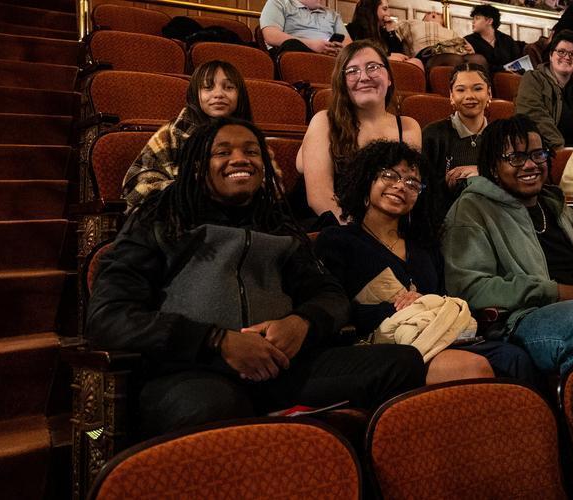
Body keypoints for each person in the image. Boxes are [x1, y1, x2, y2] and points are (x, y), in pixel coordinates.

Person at [87, 118, 426, 436]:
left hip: (283, 367)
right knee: (218, 405)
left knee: (403, 362)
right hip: (192, 372)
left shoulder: (277, 223)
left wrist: (302, 323)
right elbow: (109, 317)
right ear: (195, 165)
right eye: (223, 152)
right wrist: (217, 340)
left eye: (251, 152)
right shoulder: (160, 218)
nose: (240, 159)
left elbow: (331, 296)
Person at [316, 141, 535, 382]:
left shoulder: (424, 247)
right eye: (390, 175)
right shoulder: (339, 240)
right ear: (367, 180)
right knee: (473, 366)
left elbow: (445, 296)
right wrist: (406, 309)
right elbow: (336, 307)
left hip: (441, 334)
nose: (400, 186)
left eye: (412, 183)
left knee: (514, 357)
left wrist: (426, 301)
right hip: (384, 346)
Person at [442, 116, 573, 372]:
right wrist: (553, 291)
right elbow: (470, 288)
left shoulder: (559, 209)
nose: (530, 165)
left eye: (538, 155)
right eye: (516, 158)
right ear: (493, 166)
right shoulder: (472, 209)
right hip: (518, 322)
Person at [299, 40, 422, 224]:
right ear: (342, 83)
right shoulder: (325, 121)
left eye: (373, 67)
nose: (364, 77)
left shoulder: (408, 127)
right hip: (337, 226)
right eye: (352, 71)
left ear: (389, 78)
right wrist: (365, 237)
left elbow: (409, 191)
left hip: (388, 228)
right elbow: (320, 198)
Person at [123, 61, 253, 212]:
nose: (218, 94)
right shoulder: (171, 133)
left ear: (240, 95)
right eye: (208, 87)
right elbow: (138, 186)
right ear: (195, 94)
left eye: (229, 87)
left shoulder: (251, 137)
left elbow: (268, 185)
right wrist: (192, 191)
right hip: (181, 216)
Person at [419, 63, 491, 229]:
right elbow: (423, 191)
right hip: (448, 223)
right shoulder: (432, 135)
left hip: (494, 220)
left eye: (477, 88)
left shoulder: (502, 137)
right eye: (460, 90)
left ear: (489, 94)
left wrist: (481, 172)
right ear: (451, 96)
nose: (469, 96)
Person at [514, 30, 573, 150]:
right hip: (543, 151)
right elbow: (534, 115)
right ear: (551, 55)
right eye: (561, 52)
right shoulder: (533, 78)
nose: (567, 57)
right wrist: (559, 148)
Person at [344, 0, 422, 68]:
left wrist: (391, 31)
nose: (388, 13)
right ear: (371, 10)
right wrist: (387, 57)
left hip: (387, 66)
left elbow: (399, 53)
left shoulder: (384, 32)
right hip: (366, 66)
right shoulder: (353, 29)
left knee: (416, 62)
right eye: (385, 9)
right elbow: (357, 54)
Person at [259, 0, 350, 56]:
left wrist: (337, 49)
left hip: (332, 55)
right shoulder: (278, 2)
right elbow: (271, 36)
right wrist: (312, 45)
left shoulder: (332, 14)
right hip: (296, 53)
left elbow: (348, 43)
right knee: (291, 44)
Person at [464, 4, 523, 72]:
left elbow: (518, 62)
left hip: (509, 78)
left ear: (489, 21)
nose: (473, 22)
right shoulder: (469, 40)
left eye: (477, 18)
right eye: (473, 19)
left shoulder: (506, 40)